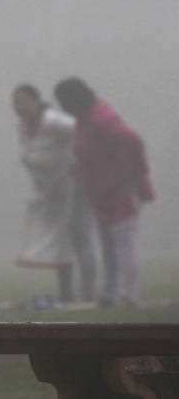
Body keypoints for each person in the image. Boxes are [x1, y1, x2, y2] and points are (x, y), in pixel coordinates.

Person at [54, 78, 154, 308]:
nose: (62, 107)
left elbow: (133, 144)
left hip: (120, 190)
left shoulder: (103, 121)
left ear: (75, 99)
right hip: (99, 192)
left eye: (64, 101)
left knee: (123, 242)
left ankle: (129, 294)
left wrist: (141, 185)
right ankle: (111, 291)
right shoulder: (84, 120)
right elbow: (86, 155)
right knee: (108, 245)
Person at [11, 84, 96, 302]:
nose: (17, 106)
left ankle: (88, 294)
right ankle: (66, 293)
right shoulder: (23, 127)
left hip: (74, 187)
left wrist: (78, 164)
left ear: (36, 100)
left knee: (80, 238)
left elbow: (83, 132)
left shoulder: (54, 120)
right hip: (50, 193)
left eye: (22, 101)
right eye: (14, 102)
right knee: (60, 242)